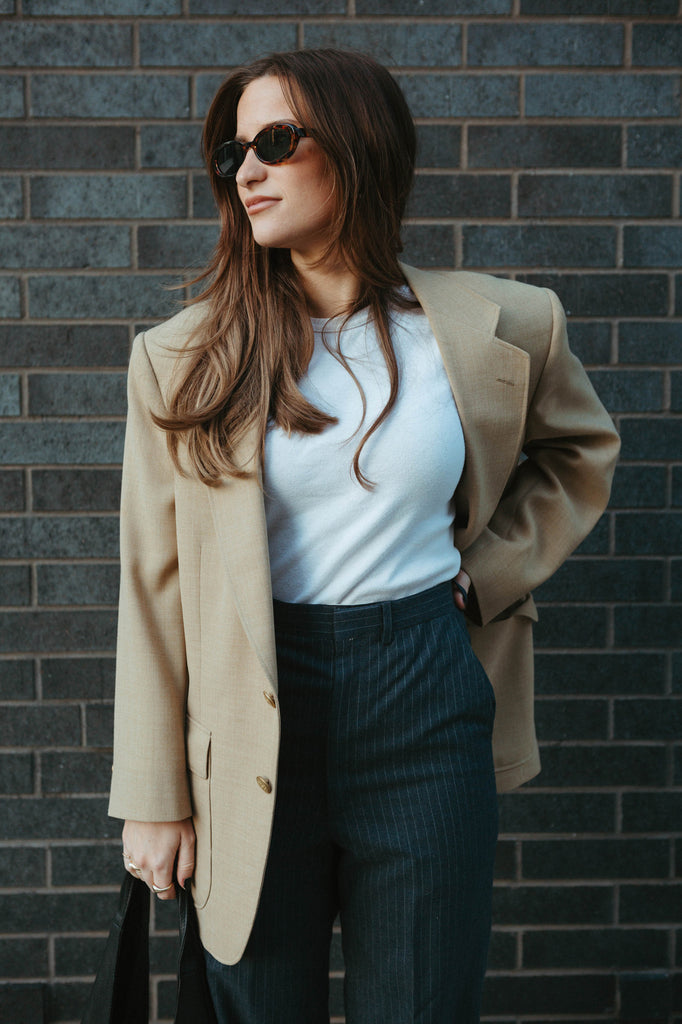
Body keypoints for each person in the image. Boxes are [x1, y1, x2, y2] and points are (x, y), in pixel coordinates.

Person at [108, 48, 620, 1024]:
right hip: (254, 710)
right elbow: (151, 582)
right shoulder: (183, 358)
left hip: (424, 692)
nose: (247, 171)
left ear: (359, 147)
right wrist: (152, 794)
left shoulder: (502, 325)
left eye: (274, 141)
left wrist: (489, 573)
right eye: (233, 155)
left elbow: (578, 453)